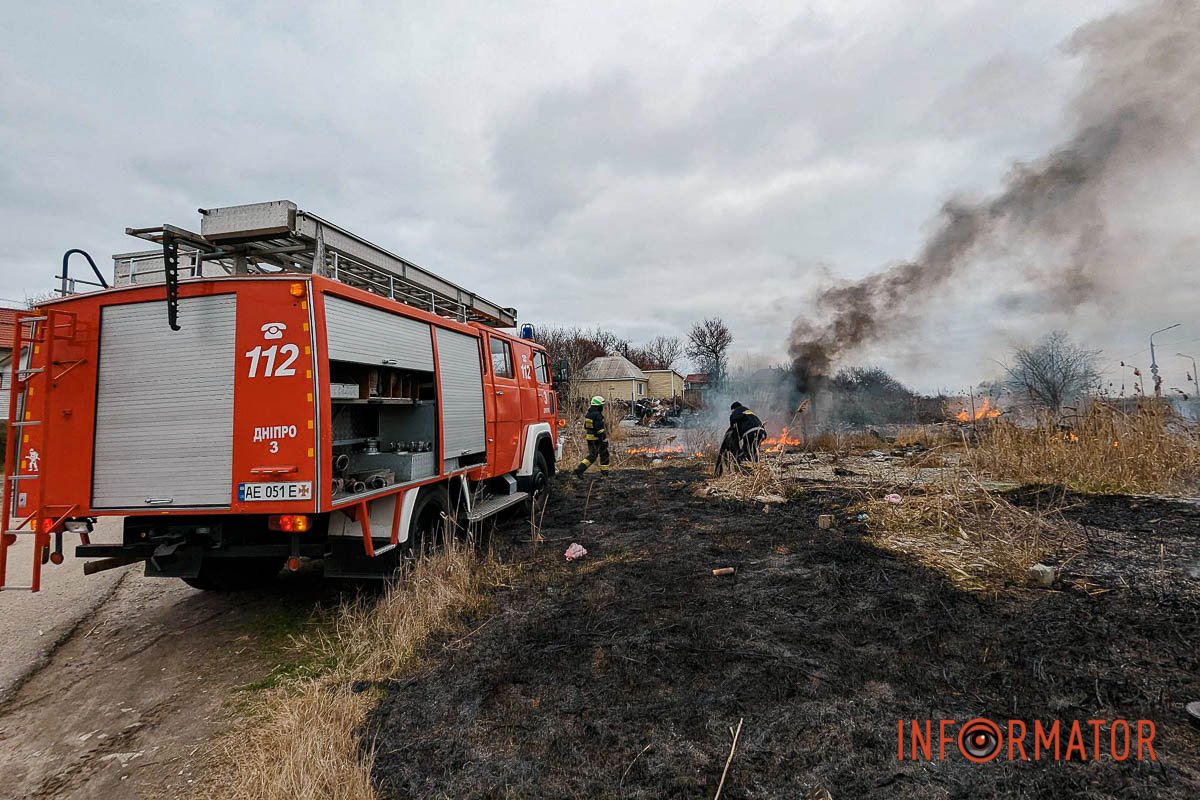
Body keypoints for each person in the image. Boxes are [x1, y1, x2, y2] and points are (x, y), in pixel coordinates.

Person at [573, 396, 611, 476]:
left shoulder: (589, 414)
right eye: (602, 405)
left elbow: (586, 426)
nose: (602, 407)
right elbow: (600, 429)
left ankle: (579, 470)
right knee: (604, 454)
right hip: (597, 439)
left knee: (592, 456)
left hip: (590, 438)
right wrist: (604, 439)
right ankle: (605, 474)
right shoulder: (597, 415)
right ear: (598, 405)